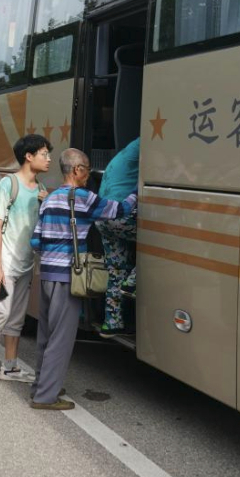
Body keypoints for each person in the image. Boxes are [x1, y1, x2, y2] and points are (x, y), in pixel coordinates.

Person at [29, 148, 137, 410]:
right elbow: (119, 210)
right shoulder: (85, 198)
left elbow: (35, 240)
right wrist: (137, 192)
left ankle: (41, 385)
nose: (89, 175)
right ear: (77, 170)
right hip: (69, 276)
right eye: (87, 169)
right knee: (61, 339)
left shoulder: (51, 198)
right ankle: (45, 397)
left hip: (46, 275)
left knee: (46, 335)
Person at [0, 134, 50, 384]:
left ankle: (10, 367)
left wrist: (46, 203)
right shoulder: (8, 185)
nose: (48, 159)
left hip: (25, 263)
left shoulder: (40, 190)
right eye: (43, 154)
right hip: (2, 262)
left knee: (16, 316)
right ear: (29, 156)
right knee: (0, 312)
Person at [94, 138, 140, 336]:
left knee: (116, 269)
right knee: (160, 242)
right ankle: (133, 279)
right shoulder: (146, 143)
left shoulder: (127, 152)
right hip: (121, 214)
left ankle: (111, 322)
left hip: (103, 218)